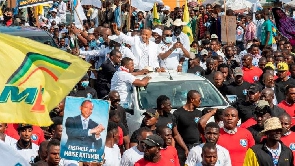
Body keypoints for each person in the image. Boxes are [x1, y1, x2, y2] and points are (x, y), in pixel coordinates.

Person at [173, 90, 203, 165]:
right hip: (183, 148)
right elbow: (176, 134)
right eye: (199, 100)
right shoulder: (178, 113)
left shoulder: (199, 113)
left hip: (197, 146)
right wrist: (185, 148)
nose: (200, 102)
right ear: (192, 100)